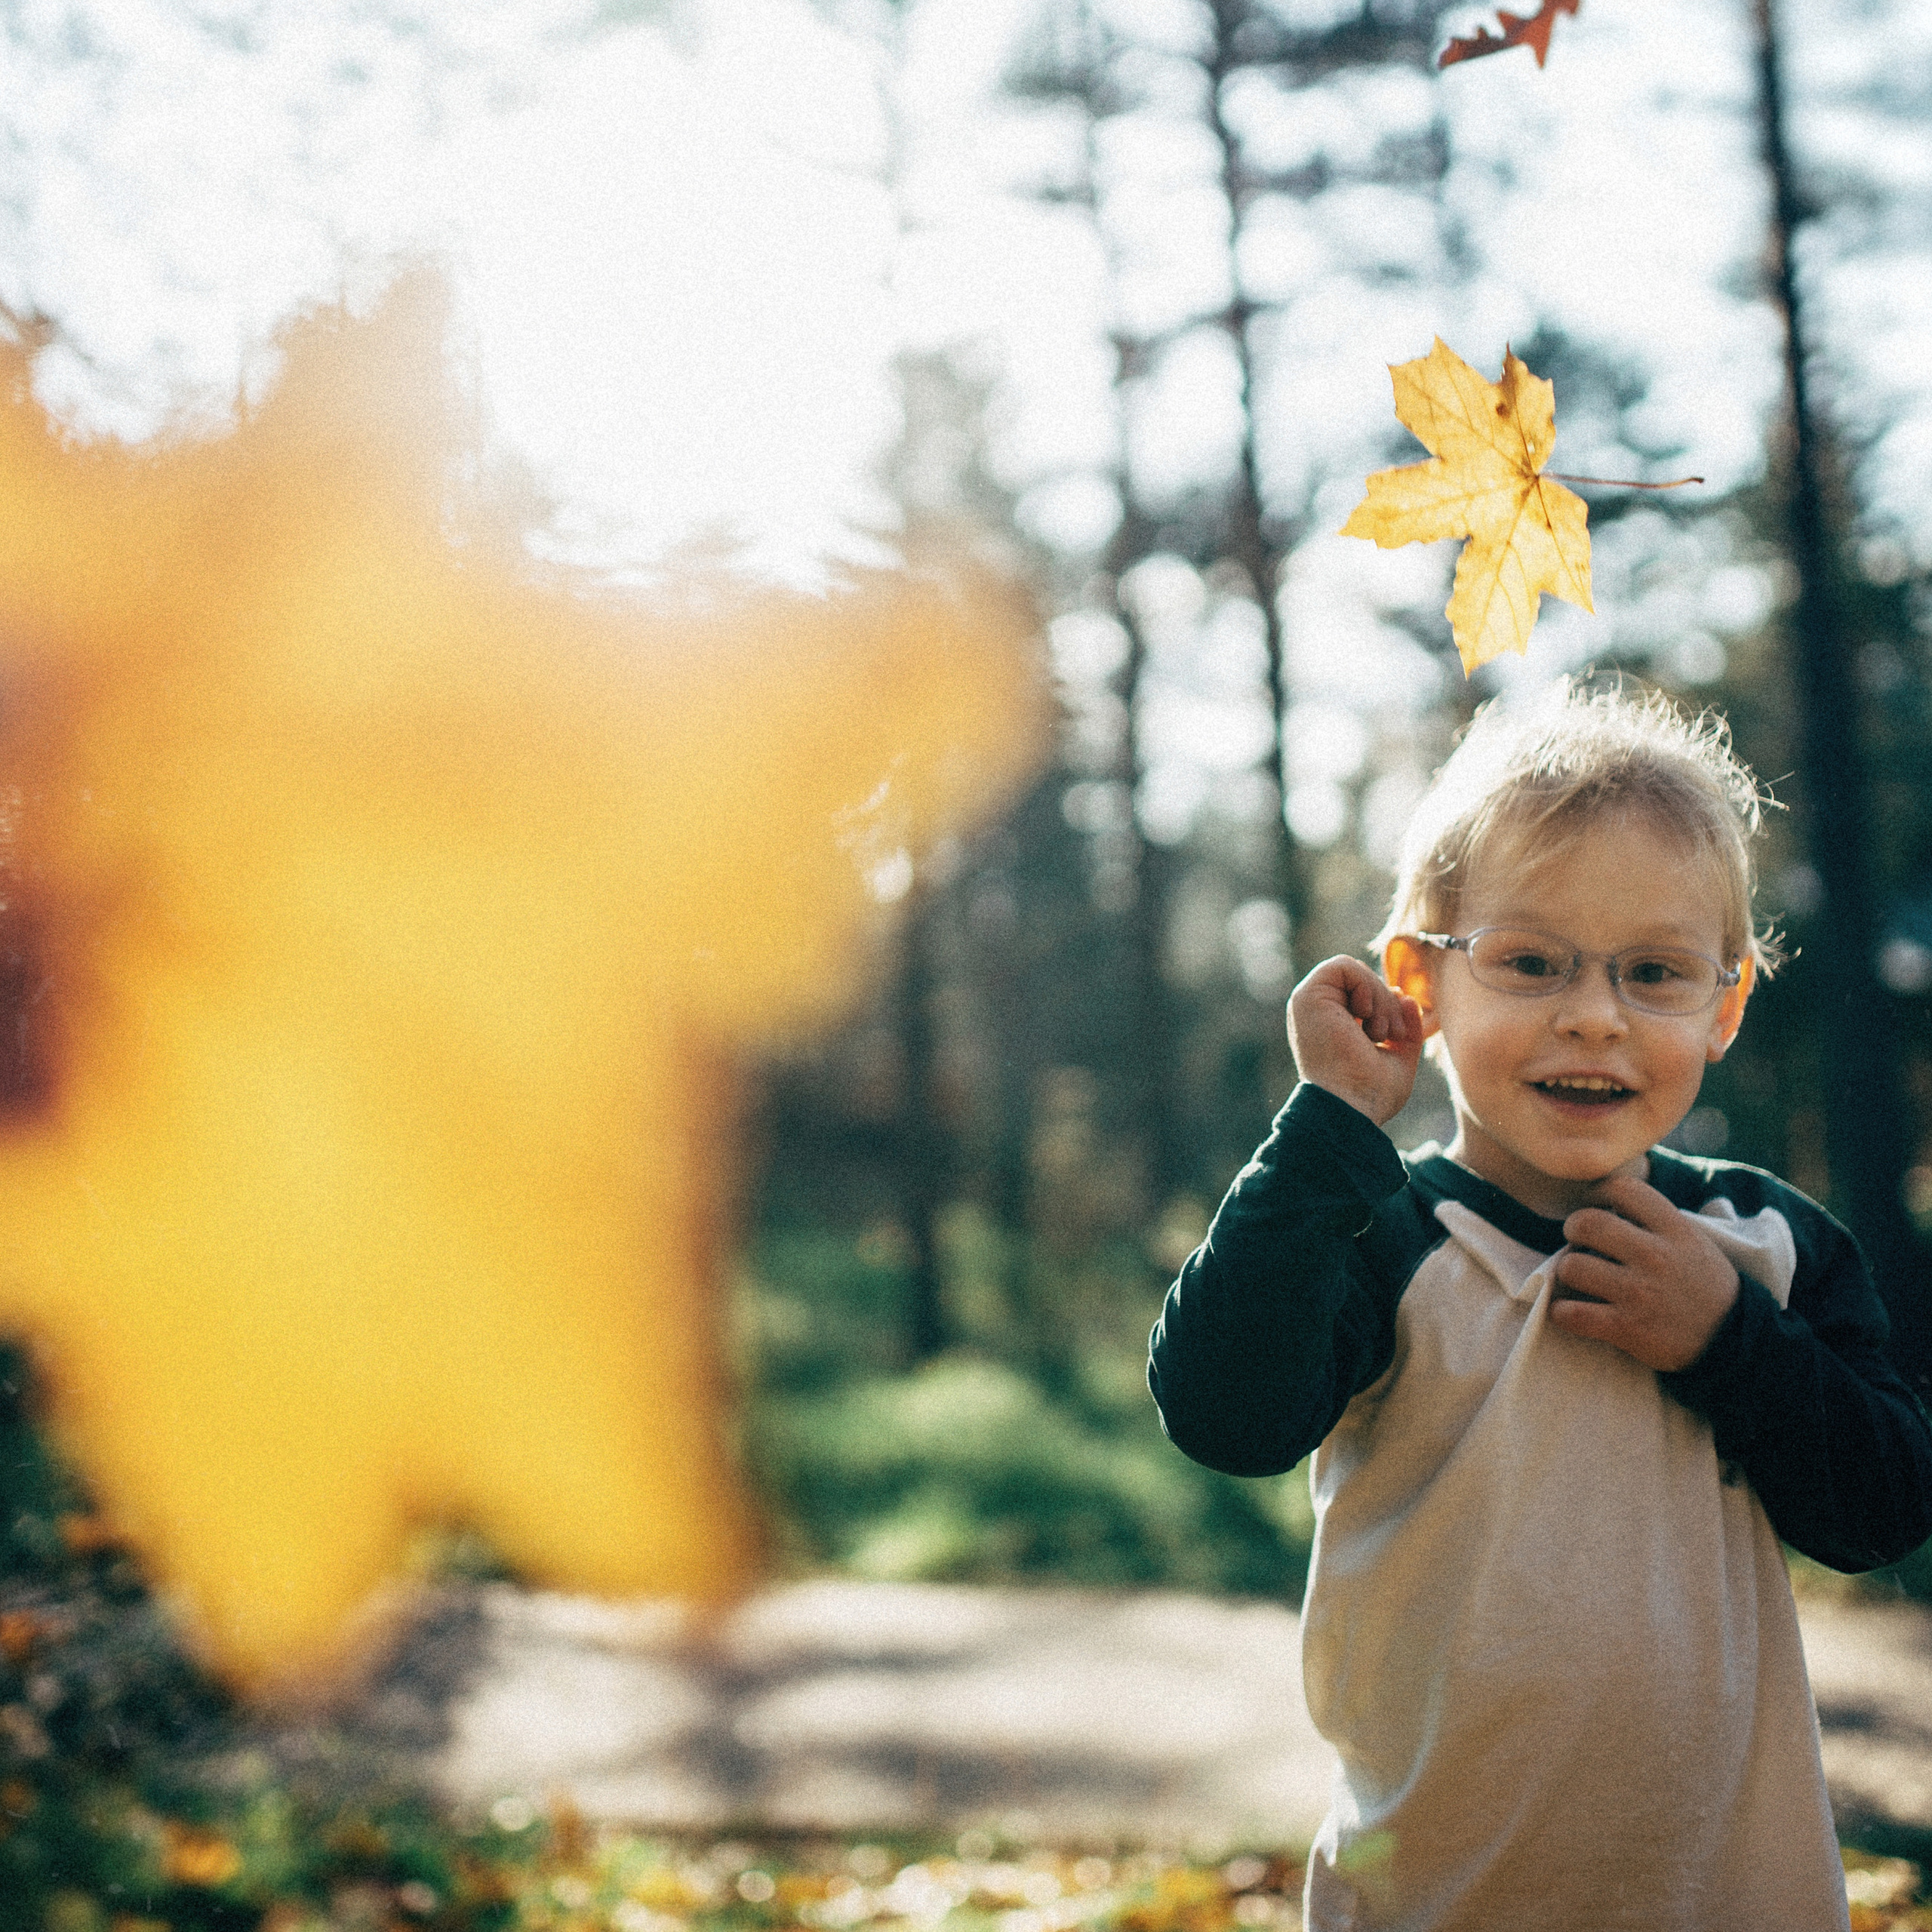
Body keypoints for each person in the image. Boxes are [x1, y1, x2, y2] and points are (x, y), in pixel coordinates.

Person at [1148, 680, 1932, 1931]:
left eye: (1655, 973)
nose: (1593, 1014)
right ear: (1421, 981)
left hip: (1732, 1901)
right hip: (1432, 1903)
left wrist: (1732, 1339)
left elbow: (1886, 1507)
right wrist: (1328, 1129)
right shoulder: (1379, 1231)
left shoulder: (1766, 1244)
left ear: (1723, 1007)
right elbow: (1222, 1412)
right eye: (1530, 961)